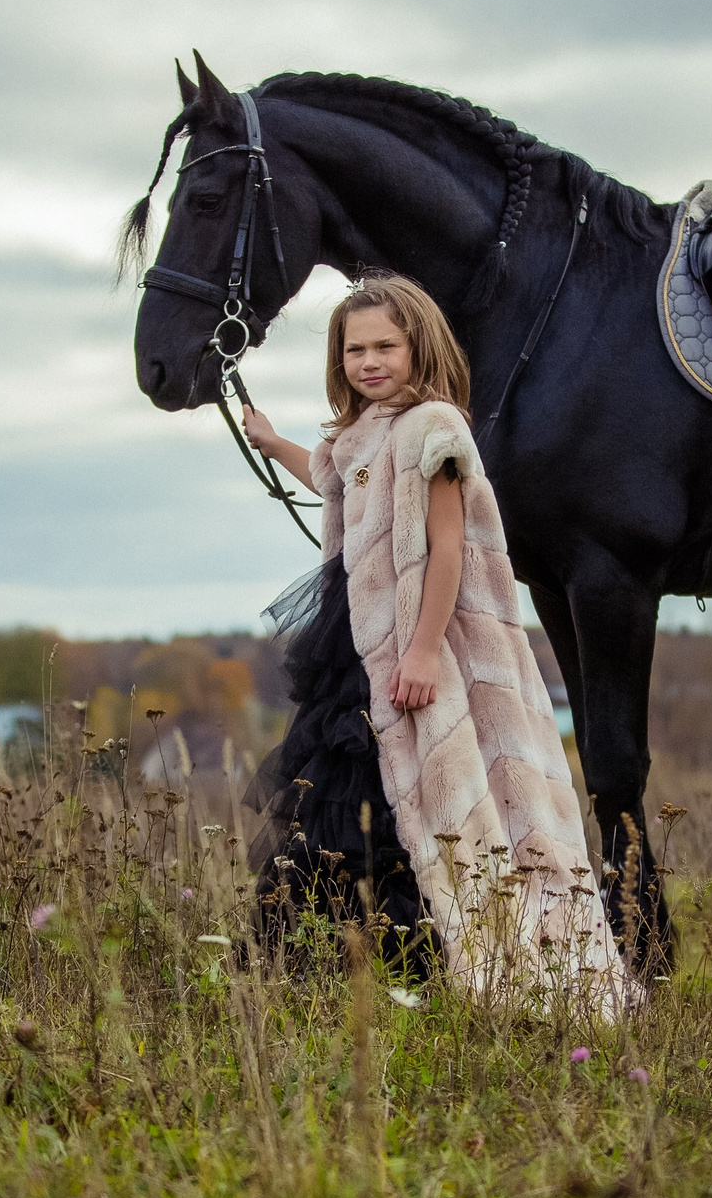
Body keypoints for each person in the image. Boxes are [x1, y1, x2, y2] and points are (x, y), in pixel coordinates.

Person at [243, 274, 632, 1009]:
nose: (369, 361)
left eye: (385, 345)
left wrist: (423, 649)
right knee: (349, 794)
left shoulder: (434, 427)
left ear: (418, 346)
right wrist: (271, 440)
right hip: (357, 638)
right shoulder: (361, 433)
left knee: (433, 794)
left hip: (425, 644)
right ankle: (339, 961)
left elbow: (448, 550)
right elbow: (337, 480)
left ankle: (438, 957)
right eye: (354, 349)